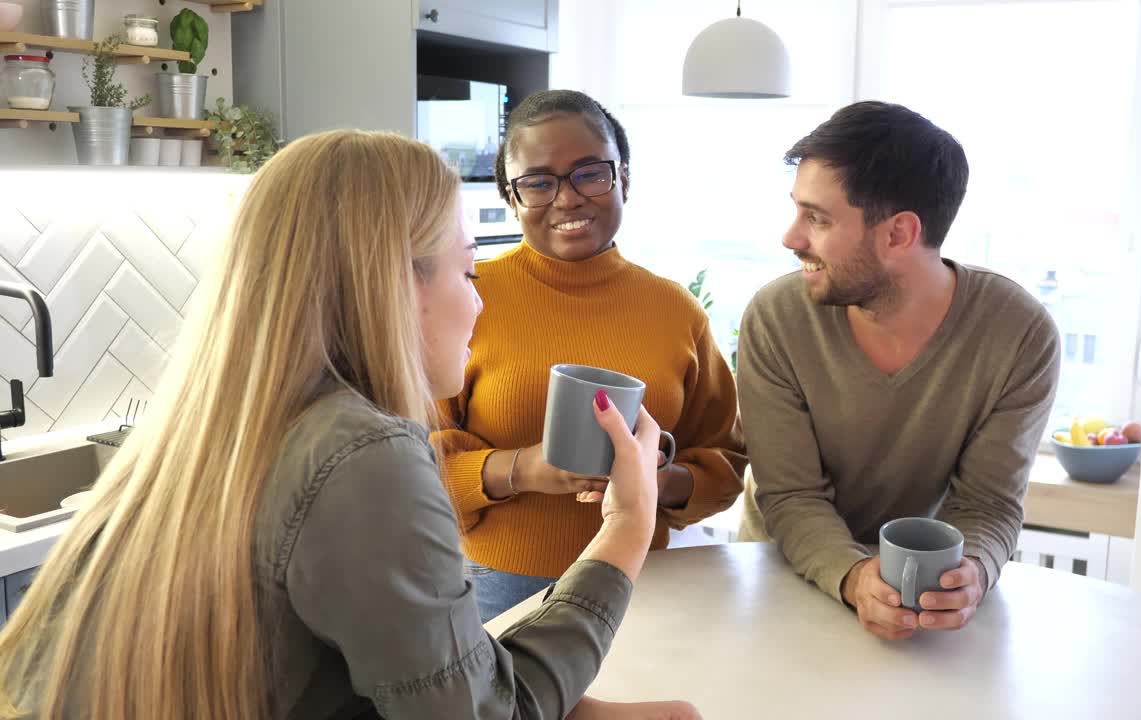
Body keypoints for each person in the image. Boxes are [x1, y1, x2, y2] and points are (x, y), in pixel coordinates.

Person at [0, 130, 698, 720]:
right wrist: (626, 526)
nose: (479, 306)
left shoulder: (212, 428)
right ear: (396, 284)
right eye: (467, 272)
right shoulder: (363, 454)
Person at [737, 101, 1061, 641]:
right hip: (778, 582)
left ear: (898, 234)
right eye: (798, 211)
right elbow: (792, 496)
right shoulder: (776, 318)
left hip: (916, 605)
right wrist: (855, 574)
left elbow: (987, 504)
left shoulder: (1020, 335)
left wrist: (971, 573)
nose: (792, 238)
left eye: (817, 218)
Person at [437, 89, 747, 622]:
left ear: (623, 179)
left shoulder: (676, 310)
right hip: (496, 585)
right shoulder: (466, 297)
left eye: (590, 173)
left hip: (638, 580)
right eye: (538, 182)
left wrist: (650, 481)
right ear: (512, 197)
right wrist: (523, 469)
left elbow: (725, 462)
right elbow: (409, 462)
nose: (567, 198)